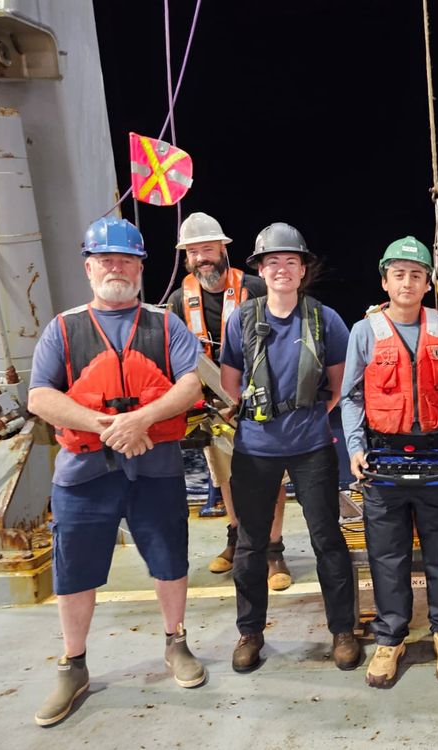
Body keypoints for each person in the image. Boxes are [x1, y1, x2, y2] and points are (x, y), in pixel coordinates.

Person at [28, 217, 205, 726]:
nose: (116, 268)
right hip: (84, 473)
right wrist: (108, 425)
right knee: (74, 568)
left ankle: (176, 642)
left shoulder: (165, 324)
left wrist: (142, 418)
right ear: (89, 268)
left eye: (126, 260)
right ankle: (74, 664)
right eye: (106, 260)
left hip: (157, 466)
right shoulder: (62, 329)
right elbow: (41, 396)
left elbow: (190, 385)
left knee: (170, 558)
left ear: (140, 268)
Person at [219, 222, 359, 673]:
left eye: (290, 262)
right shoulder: (241, 319)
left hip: (312, 446)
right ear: (260, 269)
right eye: (272, 262)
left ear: (303, 270)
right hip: (255, 449)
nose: (281, 269)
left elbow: (337, 386)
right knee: (250, 544)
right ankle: (250, 633)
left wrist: (304, 414)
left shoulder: (324, 319)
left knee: (328, 540)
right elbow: (229, 381)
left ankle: (342, 630)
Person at [340, 237, 438, 688]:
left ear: (428, 283)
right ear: (385, 280)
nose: (408, 282)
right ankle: (390, 637)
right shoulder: (366, 331)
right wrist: (355, 447)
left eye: (417, 274)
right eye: (399, 273)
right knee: (387, 553)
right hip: (382, 455)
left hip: (437, 453)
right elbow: (352, 396)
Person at [167, 212, 293, 587]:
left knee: (271, 478)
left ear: (223, 249)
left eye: (208, 249)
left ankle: (274, 551)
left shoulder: (255, 287)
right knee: (226, 476)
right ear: (186, 258)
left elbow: (284, 343)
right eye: (194, 252)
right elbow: (176, 358)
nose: (202, 258)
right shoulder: (178, 300)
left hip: (262, 403)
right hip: (213, 407)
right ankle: (237, 539)